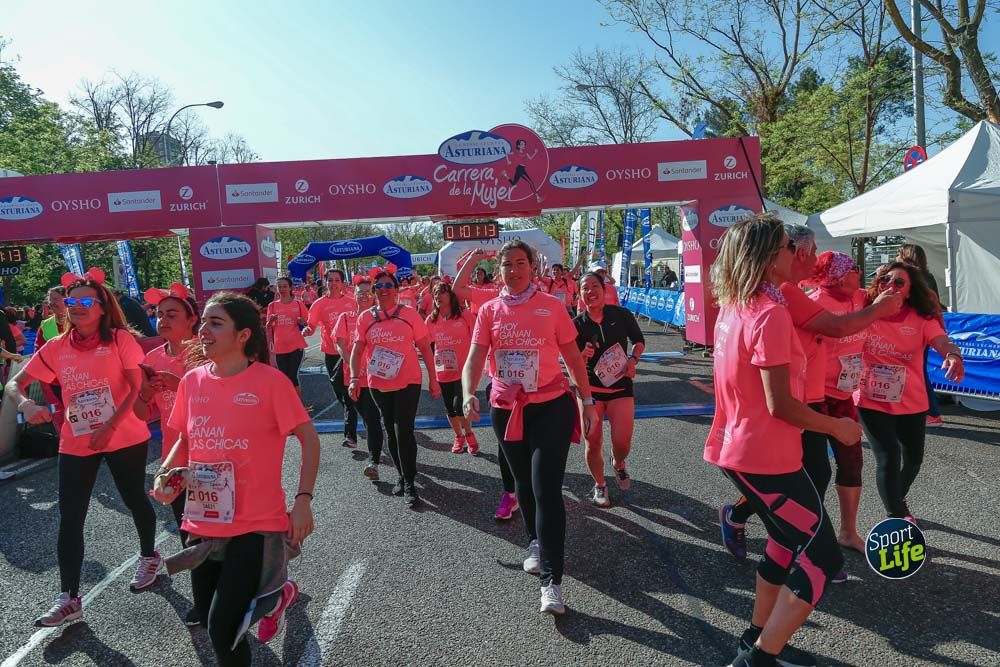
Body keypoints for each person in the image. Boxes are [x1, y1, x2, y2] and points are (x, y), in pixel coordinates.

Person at [706, 216, 863, 667]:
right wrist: (838, 428)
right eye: (787, 248)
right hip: (763, 456)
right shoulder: (770, 314)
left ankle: (757, 636)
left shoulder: (738, 305)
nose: (795, 255)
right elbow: (782, 406)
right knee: (821, 562)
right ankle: (758, 658)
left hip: (748, 449)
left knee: (781, 543)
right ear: (767, 258)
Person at [719, 223, 902, 574]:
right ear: (784, 254)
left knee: (811, 481)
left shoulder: (763, 297)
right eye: (801, 248)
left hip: (799, 405)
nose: (814, 257)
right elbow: (834, 329)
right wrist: (878, 311)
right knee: (806, 491)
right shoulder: (779, 298)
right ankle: (800, 555)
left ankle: (794, 559)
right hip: (783, 415)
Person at [151, 291, 320, 667]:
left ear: (242, 335)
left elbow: (308, 437)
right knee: (220, 626)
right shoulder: (192, 382)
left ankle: (273, 593)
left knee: (222, 627)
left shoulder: (269, 382)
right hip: (203, 521)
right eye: (203, 323)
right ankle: (275, 594)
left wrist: (303, 498)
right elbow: (184, 437)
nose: (203, 330)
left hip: (255, 524)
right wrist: (165, 473)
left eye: (216, 323)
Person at [5, 268, 161, 627]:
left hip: (123, 434)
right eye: (71, 301)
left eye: (85, 301)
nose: (76, 306)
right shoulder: (57, 347)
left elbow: (138, 388)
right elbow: (16, 384)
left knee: (134, 498)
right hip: (77, 440)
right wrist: (28, 406)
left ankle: (149, 555)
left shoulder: (120, 340)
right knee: (70, 516)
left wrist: (109, 427)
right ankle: (69, 597)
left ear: (102, 307)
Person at [462, 240, 598, 615]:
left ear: (533, 267)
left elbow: (572, 357)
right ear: (500, 269)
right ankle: (535, 540)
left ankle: (551, 582)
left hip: (551, 406)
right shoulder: (489, 310)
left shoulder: (552, 306)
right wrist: (468, 393)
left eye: (521, 263)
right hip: (506, 407)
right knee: (522, 482)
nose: (514, 270)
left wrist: (587, 403)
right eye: (507, 264)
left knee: (546, 488)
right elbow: (475, 357)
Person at [857, 262, 964, 524]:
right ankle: (897, 515)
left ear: (909, 290)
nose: (891, 285)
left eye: (899, 282)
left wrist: (951, 355)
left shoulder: (921, 318)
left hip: (911, 399)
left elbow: (940, 339)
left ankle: (896, 496)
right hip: (870, 396)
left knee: (914, 460)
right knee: (888, 456)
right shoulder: (864, 309)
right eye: (885, 280)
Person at [132, 283, 203, 625]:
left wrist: (181, 385)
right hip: (175, 457)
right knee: (188, 530)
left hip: (214, 454)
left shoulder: (207, 353)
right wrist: (144, 393)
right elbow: (141, 414)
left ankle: (269, 578)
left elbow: (221, 401)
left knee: (225, 531)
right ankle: (205, 601)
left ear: (192, 319)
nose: (162, 319)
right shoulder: (151, 359)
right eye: (159, 314)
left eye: (172, 314)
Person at [348, 266, 440, 506]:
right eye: (379, 286)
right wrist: (354, 378)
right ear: (374, 291)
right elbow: (357, 351)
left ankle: (410, 483)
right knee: (390, 428)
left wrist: (434, 378)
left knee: (404, 431)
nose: (384, 290)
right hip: (378, 383)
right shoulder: (365, 318)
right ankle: (401, 474)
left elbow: (425, 348)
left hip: (408, 381)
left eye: (389, 285)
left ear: (397, 290)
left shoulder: (409, 314)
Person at [807, 252, 869, 553]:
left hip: (845, 394)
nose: (861, 271)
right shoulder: (815, 302)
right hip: (815, 397)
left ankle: (848, 532)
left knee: (852, 461)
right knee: (810, 472)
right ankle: (739, 513)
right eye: (856, 268)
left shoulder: (860, 296)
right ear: (841, 275)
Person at [574, 271, 645, 507]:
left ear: (604, 291)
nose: (590, 291)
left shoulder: (621, 314)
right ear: (580, 294)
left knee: (622, 442)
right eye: (585, 288)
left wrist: (633, 361)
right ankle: (600, 484)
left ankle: (618, 462)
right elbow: (572, 362)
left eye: (595, 286)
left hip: (620, 387)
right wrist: (582, 357)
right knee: (592, 442)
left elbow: (639, 340)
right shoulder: (576, 324)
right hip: (590, 391)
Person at [333, 275, 385, 480]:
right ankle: (378, 444)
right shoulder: (345, 317)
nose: (364, 296)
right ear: (354, 295)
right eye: (360, 293)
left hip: (375, 377)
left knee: (372, 419)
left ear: (374, 296)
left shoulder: (380, 316)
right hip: (353, 378)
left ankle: (373, 461)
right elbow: (339, 342)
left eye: (367, 293)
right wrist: (352, 363)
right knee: (365, 416)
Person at [304, 269, 358, 447]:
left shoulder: (352, 302)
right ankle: (352, 414)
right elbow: (311, 325)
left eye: (337, 280)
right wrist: (307, 330)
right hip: (331, 353)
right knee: (339, 393)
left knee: (349, 395)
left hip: (350, 354)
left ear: (343, 283)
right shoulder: (319, 304)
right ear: (325, 283)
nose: (333, 283)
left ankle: (350, 435)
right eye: (330, 280)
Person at [425, 280, 479, 454]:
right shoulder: (431, 320)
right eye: (435, 294)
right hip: (443, 371)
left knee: (459, 405)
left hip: (463, 370)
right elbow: (427, 346)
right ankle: (459, 436)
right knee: (449, 407)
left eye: (442, 292)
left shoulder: (465, 315)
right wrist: (432, 374)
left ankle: (469, 434)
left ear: (451, 295)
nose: (438, 296)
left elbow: (476, 341)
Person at [895, 244, 945, 427]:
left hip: (913, 330)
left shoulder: (911, 277)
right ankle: (926, 411)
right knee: (918, 370)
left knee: (919, 372)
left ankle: (932, 412)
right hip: (924, 329)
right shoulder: (928, 276)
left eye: (899, 254)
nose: (897, 257)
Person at [265, 276, 308, 394]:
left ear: (290, 288)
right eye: (279, 287)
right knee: (284, 377)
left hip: (296, 346)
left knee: (292, 376)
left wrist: (302, 322)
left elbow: (307, 323)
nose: (282, 289)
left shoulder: (298, 304)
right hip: (280, 347)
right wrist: (271, 321)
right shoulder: (272, 306)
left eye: (284, 286)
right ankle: (289, 404)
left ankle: (298, 405)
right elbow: (268, 327)